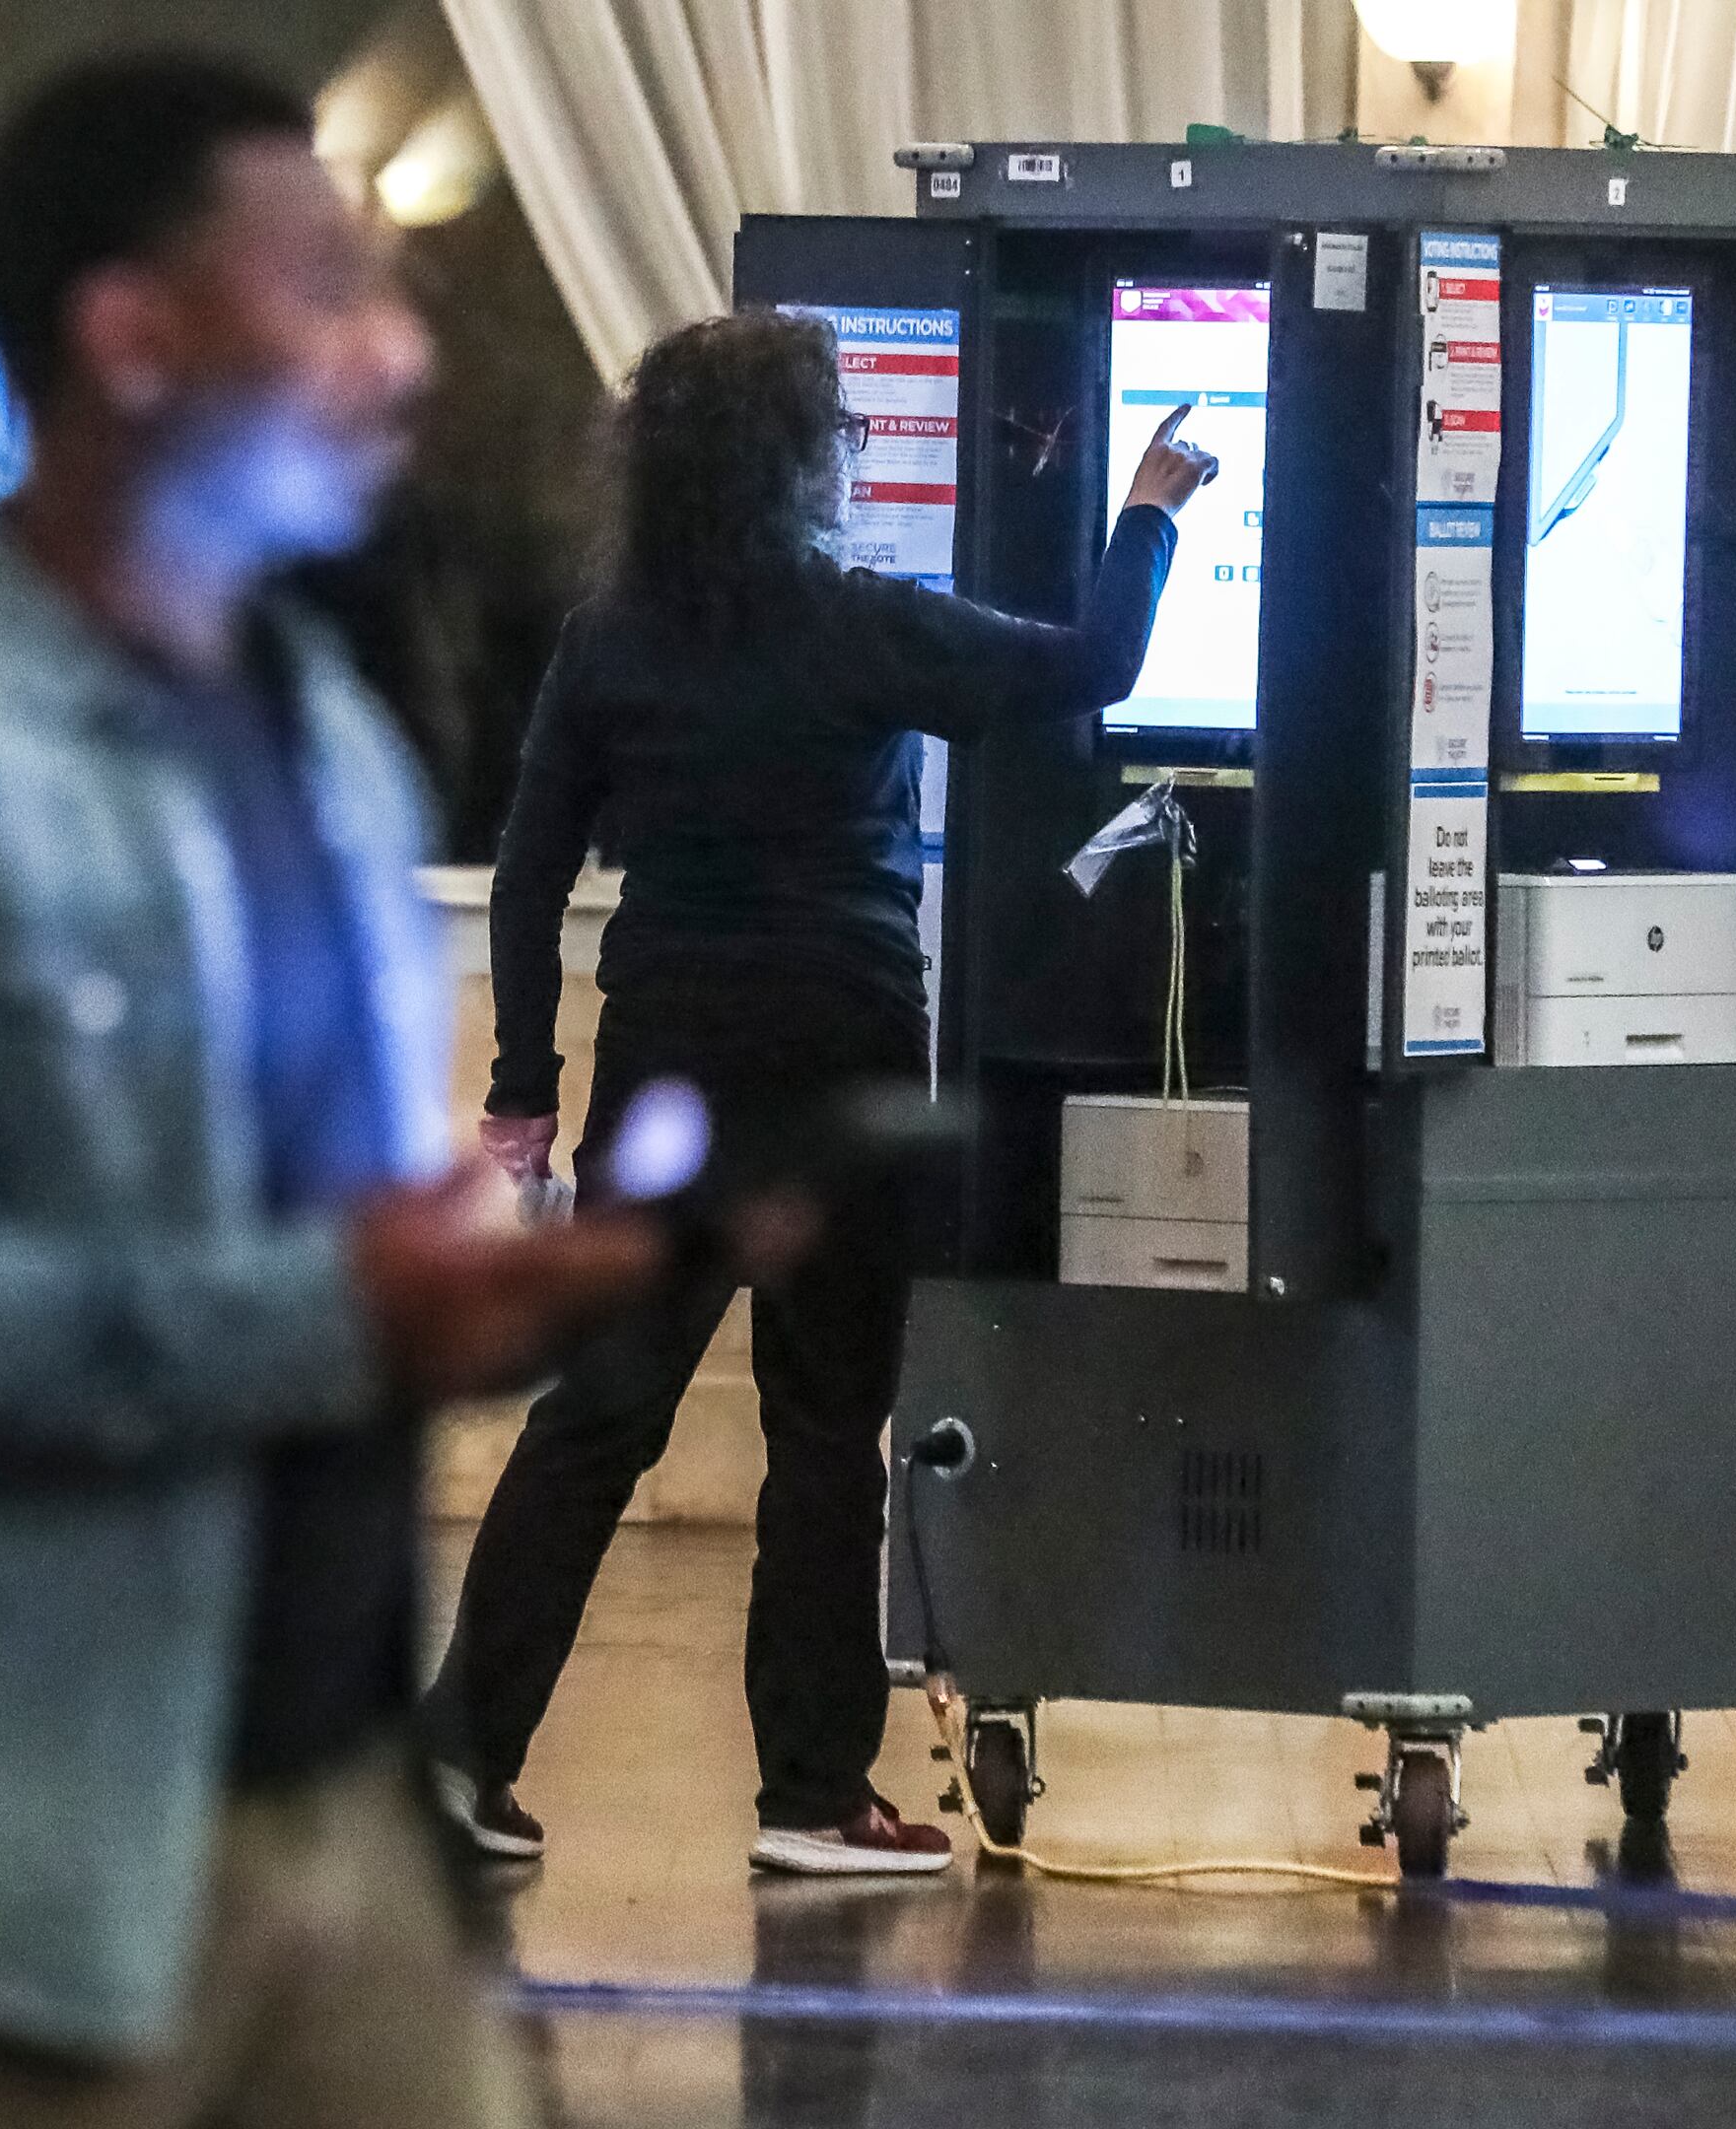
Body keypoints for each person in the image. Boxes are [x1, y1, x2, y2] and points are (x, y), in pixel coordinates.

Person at [0, 54, 662, 2129]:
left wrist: (465, 1300)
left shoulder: (328, 751)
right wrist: (310, 1314)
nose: (395, 350)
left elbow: (330, 1261)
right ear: (132, 340)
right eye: (322, 289)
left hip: (322, 1818)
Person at [424, 313, 1210, 1876]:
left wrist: (522, 1081)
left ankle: (458, 1758)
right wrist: (1149, 511)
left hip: (666, 1068)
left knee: (600, 1415)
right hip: (838, 1061)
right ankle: (810, 1798)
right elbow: (1091, 668)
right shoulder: (855, 622)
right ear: (801, 457)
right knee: (825, 1422)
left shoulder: (612, 635)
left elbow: (526, 876)